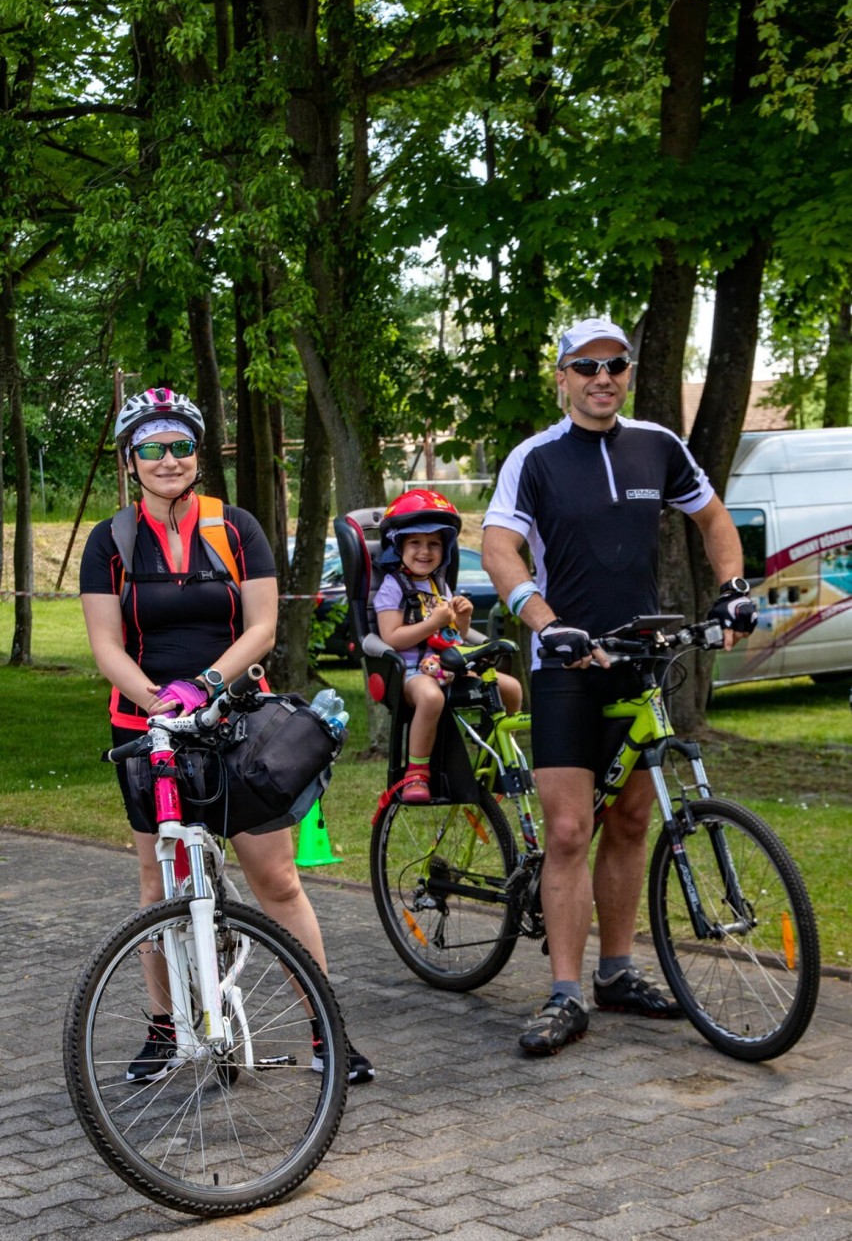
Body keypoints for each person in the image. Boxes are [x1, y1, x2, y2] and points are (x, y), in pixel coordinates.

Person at [79, 386, 374, 1084]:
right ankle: (163, 1027)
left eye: (180, 445)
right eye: (151, 448)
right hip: (147, 726)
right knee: (155, 884)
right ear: (130, 460)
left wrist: (207, 688)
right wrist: (158, 702)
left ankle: (325, 1030)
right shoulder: (110, 540)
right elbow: (105, 645)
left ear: (198, 454)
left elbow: (263, 627)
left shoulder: (236, 527)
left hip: (238, 719)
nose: (168, 459)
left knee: (276, 878)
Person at [481, 319, 756, 1055]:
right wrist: (542, 620)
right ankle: (565, 994)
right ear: (563, 377)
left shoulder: (657, 444)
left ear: (627, 373)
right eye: (586, 366)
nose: (602, 378)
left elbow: (712, 516)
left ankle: (616, 971)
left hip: (640, 657)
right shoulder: (532, 458)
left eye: (615, 365)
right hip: (566, 663)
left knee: (633, 821)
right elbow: (499, 547)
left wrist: (732, 587)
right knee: (572, 829)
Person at [374, 489, 522, 803]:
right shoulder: (392, 587)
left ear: (445, 549)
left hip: (448, 667)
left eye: (434, 544)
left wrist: (463, 618)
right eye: (415, 542)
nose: (424, 551)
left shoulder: (439, 584)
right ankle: (417, 773)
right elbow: (391, 637)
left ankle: (495, 761)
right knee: (430, 697)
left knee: (511, 689)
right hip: (411, 672)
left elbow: (452, 635)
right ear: (398, 545)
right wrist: (432, 622)